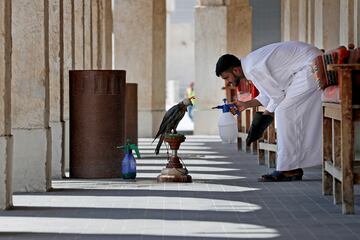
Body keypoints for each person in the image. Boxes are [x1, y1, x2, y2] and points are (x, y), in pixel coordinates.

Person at [215, 41, 323, 182]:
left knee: (284, 111)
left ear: (235, 70)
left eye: (226, 78)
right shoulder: (250, 65)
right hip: (306, 67)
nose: (228, 82)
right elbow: (269, 95)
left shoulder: (253, 68)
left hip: (311, 67)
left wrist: (259, 123)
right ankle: (292, 165)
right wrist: (247, 104)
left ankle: (289, 169)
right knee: (284, 111)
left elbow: (277, 96)